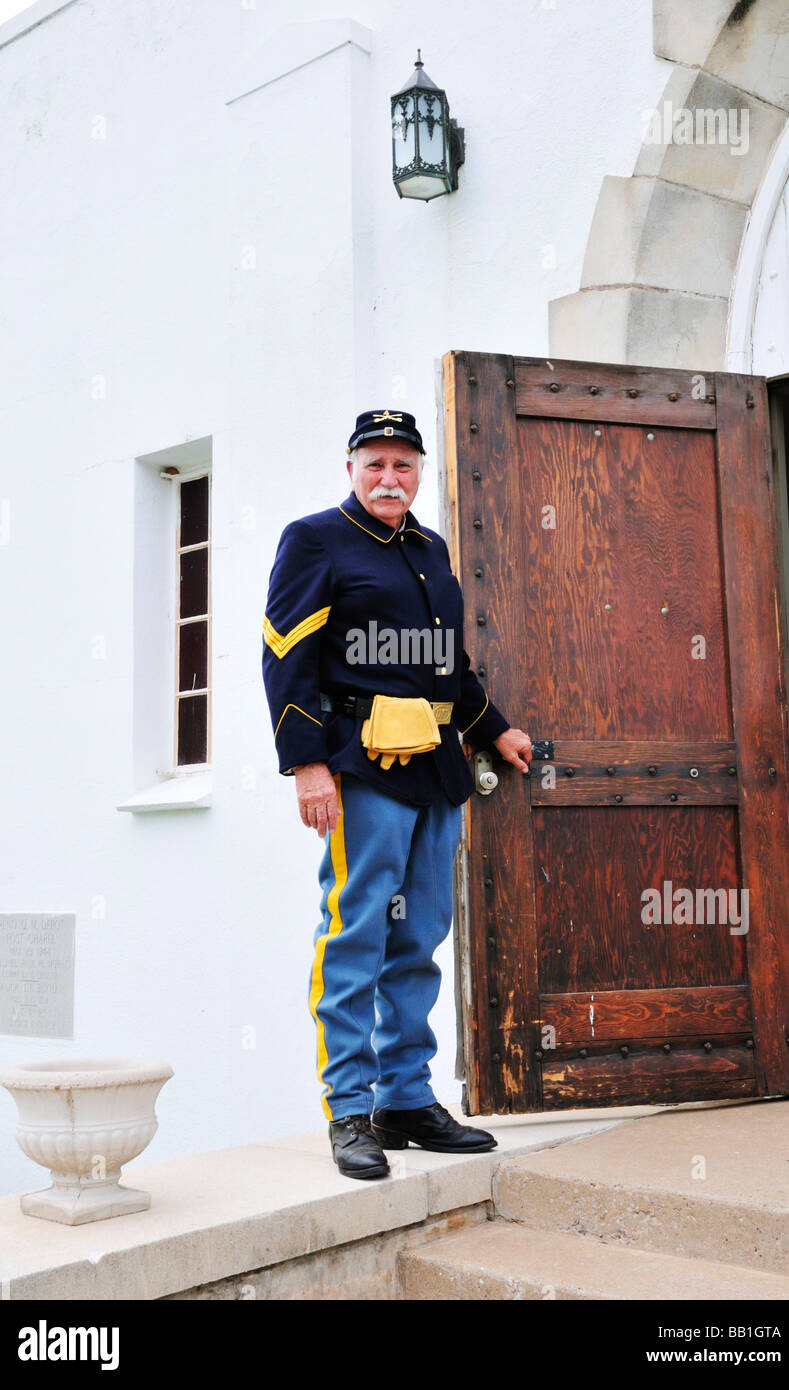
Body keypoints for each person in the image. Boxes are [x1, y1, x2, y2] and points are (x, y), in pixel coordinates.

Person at [261, 409, 532, 1179]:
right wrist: (306, 766)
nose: (390, 478)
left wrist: (494, 729)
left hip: (437, 772)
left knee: (418, 939)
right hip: (362, 770)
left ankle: (406, 1100)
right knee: (355, 932)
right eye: (375, 463)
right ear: (350, 467)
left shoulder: (428, 546)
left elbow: (447, 667)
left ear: (419, 473)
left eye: (403, 466)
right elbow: (285, 658)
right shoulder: (314, 539)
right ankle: (350, 1108)